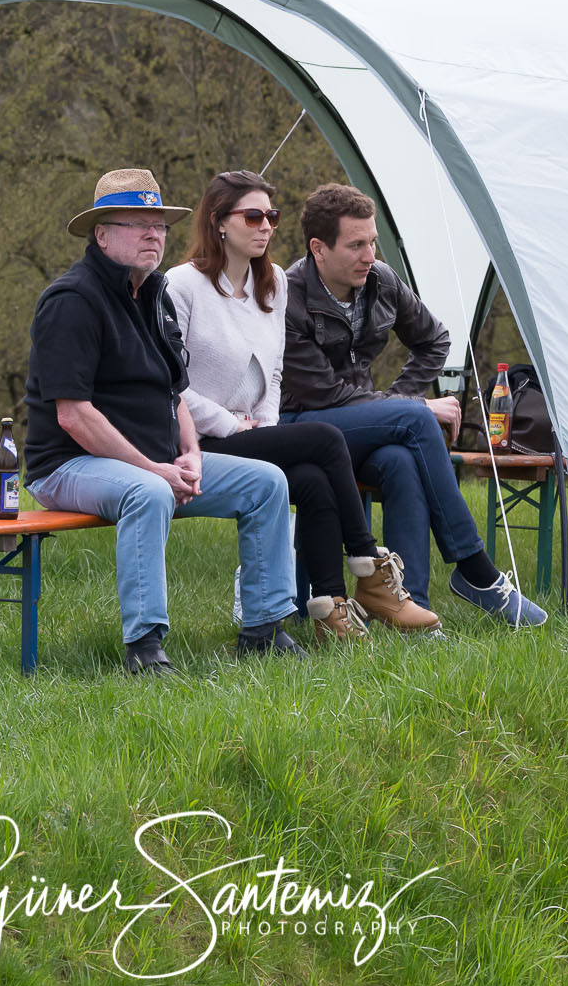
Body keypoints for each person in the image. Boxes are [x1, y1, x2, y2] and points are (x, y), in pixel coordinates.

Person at [22, 168, 303, 674]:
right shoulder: (71, 301)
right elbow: (74, 415)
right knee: (147, 494)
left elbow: (175, 393)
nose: (154, 235)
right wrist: (154, 470)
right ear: (101, 233)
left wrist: (191, 453)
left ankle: (263, 631)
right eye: (139, 224)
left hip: (156, 461)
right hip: (69, 465)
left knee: (267, 482)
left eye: (160, 225)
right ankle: (145, 648)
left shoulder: (153, 294)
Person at [280, 183, 546, 628]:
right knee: (414, 419)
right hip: (302, 424)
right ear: (318, 249)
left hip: (363, 423)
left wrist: (403, 400)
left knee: (402, 459)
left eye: (373, 241)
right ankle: (475, 569)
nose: (370, 255)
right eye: (356, 244)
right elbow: (324, 394)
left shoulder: (379, 280)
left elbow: (434, 340)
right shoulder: (290, 297)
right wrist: (411, 407)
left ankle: (411, 607)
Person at [167, 170, 411, 640]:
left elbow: (274, 373)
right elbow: (170, 386)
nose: (265, 227)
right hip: (195, 440)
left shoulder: (274, 283)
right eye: (253, 216)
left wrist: (266, 429)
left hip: (253, 433)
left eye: (271, 217)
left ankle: (331, 610)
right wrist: (233, 426)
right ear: (218, 222)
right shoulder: (180, 286)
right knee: (325, 438)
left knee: (314, 481)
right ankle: (367, 560)